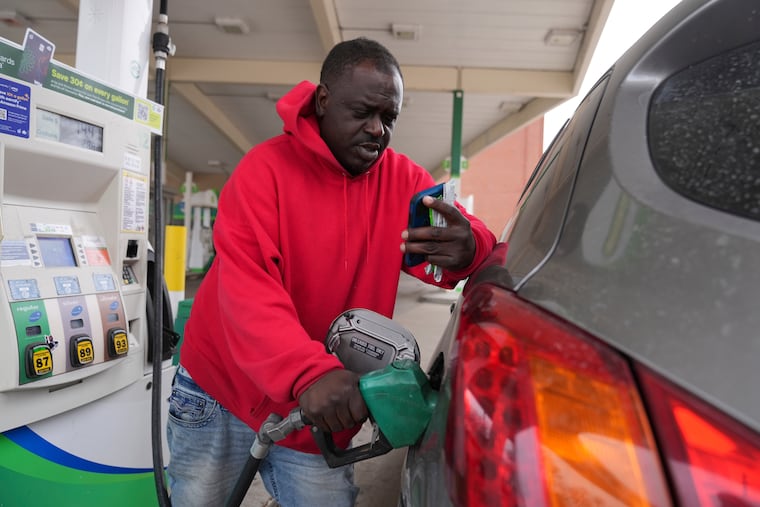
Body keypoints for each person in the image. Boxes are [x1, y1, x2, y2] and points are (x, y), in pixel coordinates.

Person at [166, 37, 497, 507]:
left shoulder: (403, 184)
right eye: (364, 112)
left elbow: (461, 236)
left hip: (319, 405)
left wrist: (469, 247)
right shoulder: (264, 173)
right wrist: (308, 373)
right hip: (224, 393)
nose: (377, 130)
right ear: (323, 101)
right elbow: (249, 294)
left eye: (389, 118)